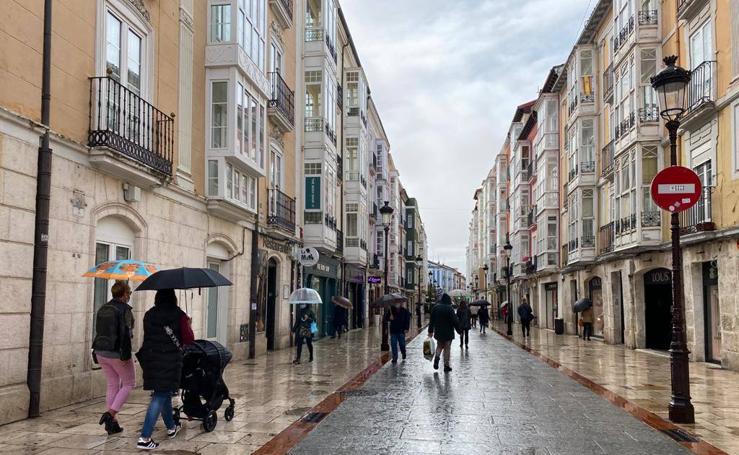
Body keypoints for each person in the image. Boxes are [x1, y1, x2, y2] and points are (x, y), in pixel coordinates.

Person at [135, 289, 193, 450]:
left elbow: (150, 336)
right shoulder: (179, 315)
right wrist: (188, 325)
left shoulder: (149, 314)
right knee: (160, 395)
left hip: (151, 359)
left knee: (163, 393)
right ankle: (145, 438)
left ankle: (171, 427)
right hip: (169, 360)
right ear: (173, 298)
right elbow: (188, 339)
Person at [92, 280, 135, 435]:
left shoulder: (103, 308)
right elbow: (127, 333)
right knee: (129, 383)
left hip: (100, 350)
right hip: (117, 352)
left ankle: (113, 424)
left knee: (112, 384)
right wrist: (126, 355)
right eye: (129, 293)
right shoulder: (125, 310)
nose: (129, 296)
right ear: (124, 294)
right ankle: (110, 414)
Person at [428, 293, 461, 372]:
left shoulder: (435, 308)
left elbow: (431, 321)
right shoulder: (450, 308)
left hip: (438, 331)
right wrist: (459, 331)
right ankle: (446, 365)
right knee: (447, 348)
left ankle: (437, 358)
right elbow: (455, 321)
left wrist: (430, 331)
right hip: (448, 332)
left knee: (439, 346)